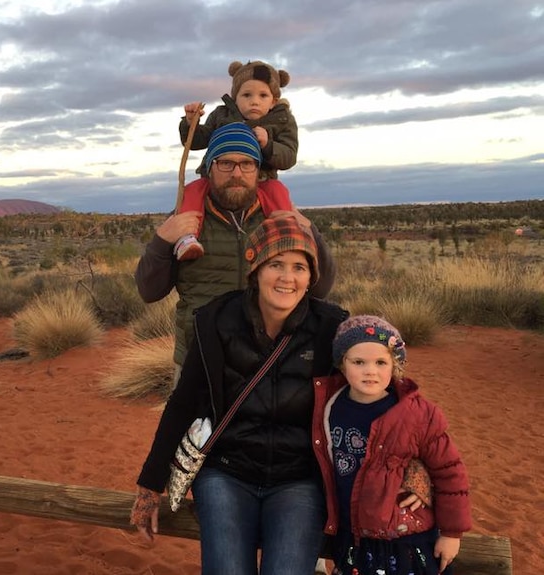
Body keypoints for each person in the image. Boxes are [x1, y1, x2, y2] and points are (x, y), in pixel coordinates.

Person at [130, 214, 349, 575]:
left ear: (312, 277)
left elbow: (377, 397)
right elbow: (183, 404)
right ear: (256, 268)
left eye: (299, 267)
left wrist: (412, 468)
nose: (287, 277)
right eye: (276, 263)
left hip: (299, 479)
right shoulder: (216, 320)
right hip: (226, 473)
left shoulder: (331, 328)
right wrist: (149, 485)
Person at [135, 122, 336, 381]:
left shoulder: (279, 220)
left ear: (258, 170)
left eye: (247, 163)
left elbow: (321, 289)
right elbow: (149, 291)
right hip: (200, 362)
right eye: (226, 163)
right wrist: (162, 240)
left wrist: (311, 232)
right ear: (210, 167)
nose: (237, 173)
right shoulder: (186, 222)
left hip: (268, 361)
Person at [312, 316, 472, 575]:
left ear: (394, 365)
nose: (370, 371)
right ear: (342, 364)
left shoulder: (416, 414)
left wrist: (452, 532)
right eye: (359, 362)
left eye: (381, 362)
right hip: (353, 537)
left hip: (406, 538)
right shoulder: (329, 408)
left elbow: (449, 471)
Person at [174, 60, 298, 261]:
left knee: (279, 193)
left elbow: (289, 156)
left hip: (262, 179)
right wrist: (190, 123)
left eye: (263, 95)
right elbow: (197, 141)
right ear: (235, 96)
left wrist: (268, 145)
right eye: (246, 95)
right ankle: (186, 238)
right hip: (215, 177)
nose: (254, 101)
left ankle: (285, 238)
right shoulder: (221, 114)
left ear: (274, 101)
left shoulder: (282, 120)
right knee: (193, 191)